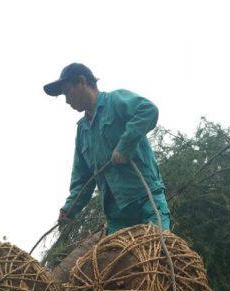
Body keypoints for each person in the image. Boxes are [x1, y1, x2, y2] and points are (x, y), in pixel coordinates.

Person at [43, 63, 171, 234]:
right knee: (116, 260)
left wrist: (124, 147)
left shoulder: (115, 100)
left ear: (82, 82)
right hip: (116, 216)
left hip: (145, 201)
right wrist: (69, 210)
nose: (66, 100)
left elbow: (148, 110)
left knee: (156, 252)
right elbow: (82, 179)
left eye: (67, 92)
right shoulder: (83, 131)